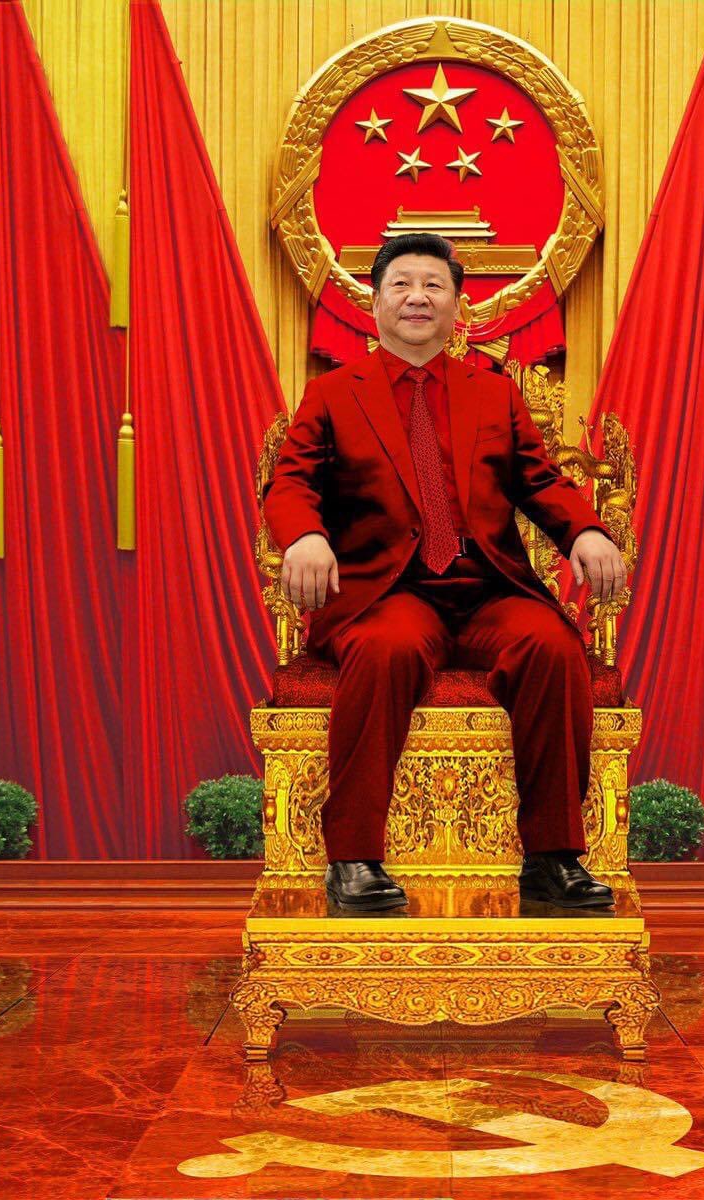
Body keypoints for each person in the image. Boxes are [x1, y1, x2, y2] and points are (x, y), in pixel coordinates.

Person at [262, 232, 628, 912]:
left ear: (458, 306)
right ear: (374, 303)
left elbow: (541, 481)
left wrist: (584, 529)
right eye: (401, 284)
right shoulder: (332, 394)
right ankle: (353, 859)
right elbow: (290, 483)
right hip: (386, 591)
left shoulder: (493, 394)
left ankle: (553, 858)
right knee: (386, 648)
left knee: (552, 646)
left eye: (434, 285)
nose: (418, 297)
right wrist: (306, 536)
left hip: (486, 588)